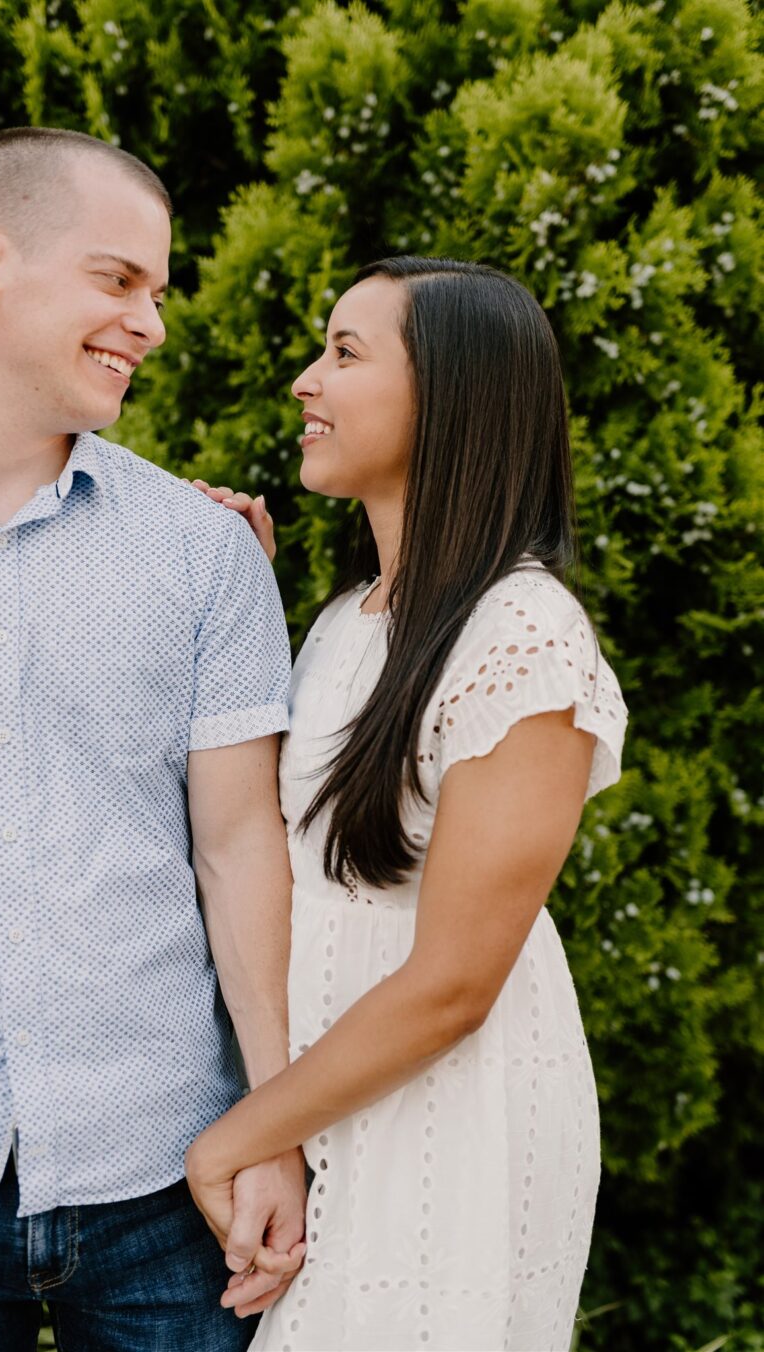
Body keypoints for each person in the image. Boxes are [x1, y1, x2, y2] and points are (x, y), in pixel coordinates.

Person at [0, 126, 306, 1351]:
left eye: (158, 293)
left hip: (171, 1190)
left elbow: (239, 854)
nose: (152, 323)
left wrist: (274, 1127)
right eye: (120, 281)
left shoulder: (204, 553)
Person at [186, 257, 629, 1351]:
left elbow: (453, 985)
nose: (304, 380)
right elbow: (294, 841)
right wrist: (230, 600)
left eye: (345, 352)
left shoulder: (523, 633)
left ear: (453, 395)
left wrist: (229, 1140)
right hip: (335, 1107)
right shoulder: (348, 618)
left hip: (454, 1120)